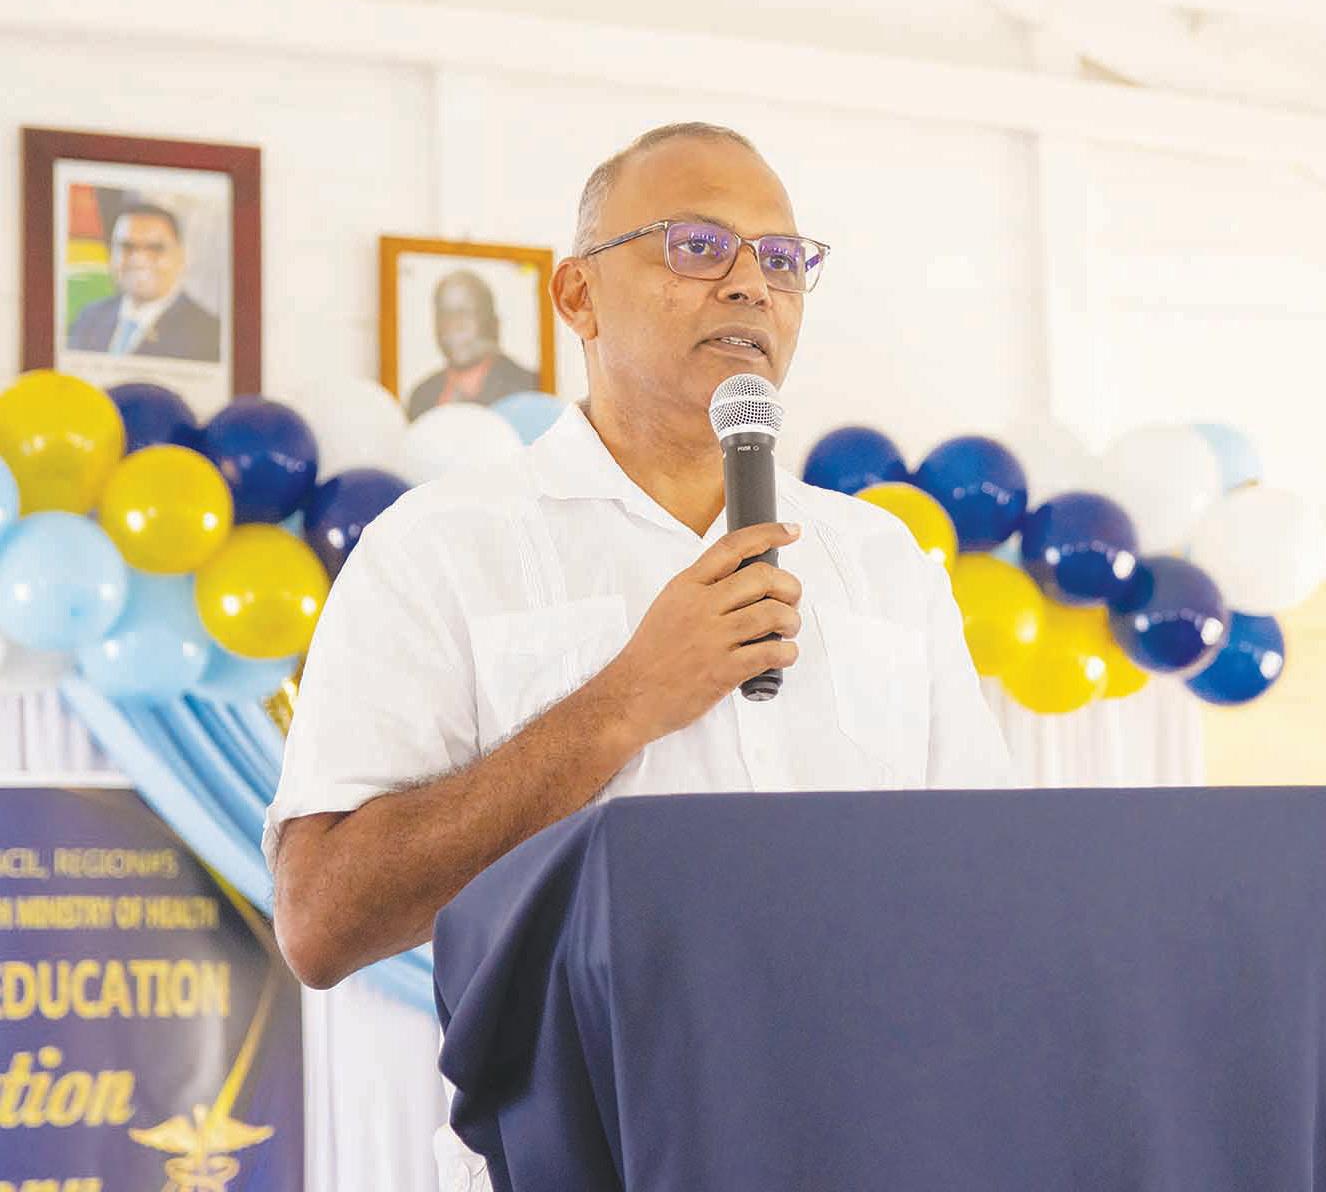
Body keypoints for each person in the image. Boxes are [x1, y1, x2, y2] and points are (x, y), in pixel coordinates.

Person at [265, 121, 1013, 1188]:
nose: (750, 284)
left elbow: (984, 890)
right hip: (585, 1158)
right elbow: (321, 920)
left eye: (782, 259)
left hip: (874, 1148)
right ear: (576, 296)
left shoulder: (882, 561)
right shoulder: (437, 548)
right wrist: (623, 703)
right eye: (696, 246)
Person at [67, 202, 221, 362]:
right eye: (127, 246)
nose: (139, 260)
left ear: (182, 256)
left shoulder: (209, 334)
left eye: (155, 248)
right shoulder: (89, 318)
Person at [406, 269, 539, 419]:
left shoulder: (530, 388)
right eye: (444, 314)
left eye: (465, 312)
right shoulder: (421, 398)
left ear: (493, 324)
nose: (452, 325)